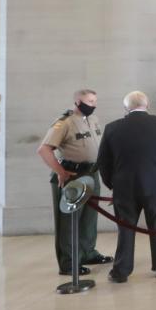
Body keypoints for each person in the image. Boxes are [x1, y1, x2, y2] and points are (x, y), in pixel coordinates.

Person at [97, 91, 156, 283]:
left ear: (126, 108)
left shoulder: (112, 128)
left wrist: (111, 183)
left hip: (124, 188)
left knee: (125, 229)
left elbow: (103, 161)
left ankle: (121, 271)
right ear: (147, 104)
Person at [36, 89, 113, 275]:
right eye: (88, 101)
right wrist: (60, 172)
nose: (92, 105)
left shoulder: (93, 120)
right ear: (77, 102)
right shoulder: (64, 123)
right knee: (69, 221)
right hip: (73, 176)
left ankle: (87, 253)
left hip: (91, 174)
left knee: (89, 218)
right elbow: (44, 150)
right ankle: (69, 263)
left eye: (95, 101)